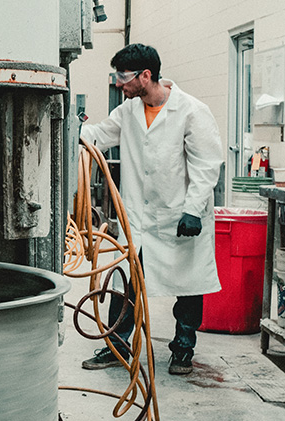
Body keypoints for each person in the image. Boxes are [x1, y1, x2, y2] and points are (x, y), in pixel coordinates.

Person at [78, 43, 225, 376]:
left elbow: (205, 165)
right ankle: (118, 346)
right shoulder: (129, 112)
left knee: (187, 287)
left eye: (123, 77)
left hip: (179, 217)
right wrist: (69, 128)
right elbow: (100, 135)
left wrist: (192, 209)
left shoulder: (191, 110)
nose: (119, 84)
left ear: (146, 76)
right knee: (127, 282)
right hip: (140, 221)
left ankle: (183, 350)